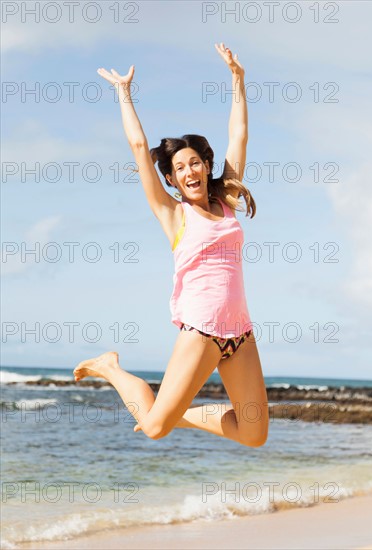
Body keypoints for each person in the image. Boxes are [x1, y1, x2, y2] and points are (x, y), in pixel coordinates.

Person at [73, 43, 269, 447]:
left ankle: (174, 413)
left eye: (194, 162)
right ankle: (109, 367)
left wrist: (238, 78)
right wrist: (124, 94)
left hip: (241, 332)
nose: (188, 170)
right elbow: (140, 150)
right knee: (155, 428)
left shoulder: (227, 200)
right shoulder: (174, 215)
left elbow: (240, 134)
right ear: (172, 181)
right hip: (201, 330)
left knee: (253, 434)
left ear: (207, 165)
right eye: (179, 168)